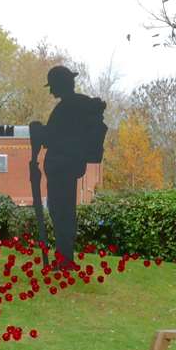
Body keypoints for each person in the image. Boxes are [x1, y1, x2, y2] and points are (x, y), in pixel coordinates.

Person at [29, 66, 107, 267]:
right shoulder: (80, 104)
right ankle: (65, 257)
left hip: (61, 168)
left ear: (60, 84)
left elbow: (54, 137)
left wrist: (38, 131)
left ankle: (64, 259)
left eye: (52, 86)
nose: (50, 91)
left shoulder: (66, 108)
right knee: (64, 211)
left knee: (60, 211)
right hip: (68, 167)